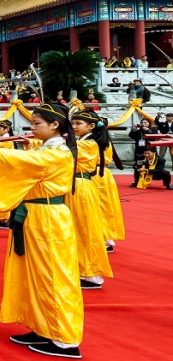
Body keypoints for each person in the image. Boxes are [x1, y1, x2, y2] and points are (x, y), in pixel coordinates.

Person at [0, 103, 83, 359]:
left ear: (55, 125)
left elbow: (19, 161)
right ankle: (43, 326)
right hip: (34, 214)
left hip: (47, 217)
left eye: (37, 123)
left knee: (52, 274)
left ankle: (64, 338)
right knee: (34, 273)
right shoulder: (45, 149)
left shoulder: (57, 153)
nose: (32, 128)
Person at [69, 110, 114, 290]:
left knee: (85, 228)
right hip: (77, 185)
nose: (74, 127)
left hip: (81, 185)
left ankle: (91, 273)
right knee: (78, 227)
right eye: (73, 123)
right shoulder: (83, 141)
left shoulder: (88, 144)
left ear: (91, 126)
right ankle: (83, 269)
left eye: (78, 124)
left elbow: (64, 151)